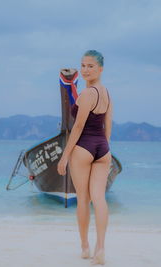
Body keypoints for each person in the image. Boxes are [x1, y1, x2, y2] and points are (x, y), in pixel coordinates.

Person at [57, 50, 113, 265]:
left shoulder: (87, 94)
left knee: (83, 198)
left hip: (84, 148)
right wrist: (104, 148)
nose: (85, 70)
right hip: (102, 149)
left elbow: (78, 126)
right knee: (99, 198)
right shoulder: (106, 93)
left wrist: (65, 155)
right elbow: (108, 125)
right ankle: (101, 247)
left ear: (100, 69)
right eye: (83, 65)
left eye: (90, 66)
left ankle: (85, 247)